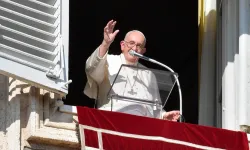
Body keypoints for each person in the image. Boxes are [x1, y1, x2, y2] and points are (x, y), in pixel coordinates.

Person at [84, 20, 180, 121]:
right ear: (122, 45)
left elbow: (154, 107)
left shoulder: (148, 74)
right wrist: (105, 43)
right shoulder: (108, 60)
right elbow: (91, 69)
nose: (134, 48)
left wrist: (163, 116)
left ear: (143, 51)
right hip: (110, 120)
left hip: (141, 126)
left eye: (139, 46)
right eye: (131, 43)